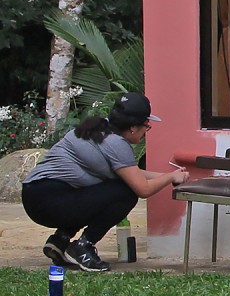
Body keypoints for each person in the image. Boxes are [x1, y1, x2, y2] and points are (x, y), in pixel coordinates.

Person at [21, 92, 190, 272]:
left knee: (103, 190)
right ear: (133, 128)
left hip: (35, 195)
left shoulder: (97, 127)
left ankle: (60, 240)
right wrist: (171, 178)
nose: (145, 132)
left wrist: (167, 174)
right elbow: (142, 189)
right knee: (126, 193)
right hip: (51, 200)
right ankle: (83, 247)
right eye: (146, 126)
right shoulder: (117, 144)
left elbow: (131, 173)